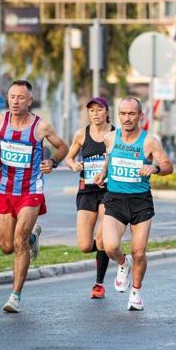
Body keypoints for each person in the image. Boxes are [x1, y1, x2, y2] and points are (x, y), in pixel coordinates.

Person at [0, 80, 69, 313]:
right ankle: (32, 239)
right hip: (4, 188)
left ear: (30, 100)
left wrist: (53, 162)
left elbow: (62, 147)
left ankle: (15, 296)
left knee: (18, 241)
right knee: (7, 246)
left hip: (30, 190)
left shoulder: (41, 127)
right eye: (12, 97)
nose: (15, 101)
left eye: (20, 97)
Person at [93, 97, 174, 311]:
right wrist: (103, 172)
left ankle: (136, 292)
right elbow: (109, 159)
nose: (127, 118)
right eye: (123, 114)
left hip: (140, 202)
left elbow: (168, 165)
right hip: (115, 199)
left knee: (139, 251)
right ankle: (122, 263)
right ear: (118, 115)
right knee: (110, 246)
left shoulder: (149, 141)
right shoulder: (110, 137)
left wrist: (154, 168)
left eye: (131, 114)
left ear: (140, 116)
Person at [64, 97, 114, 298]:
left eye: (99, 109)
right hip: (86, 191)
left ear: (107, 112)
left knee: (101, 238)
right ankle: (111, 251)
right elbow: (69, 157)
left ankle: (99, 284)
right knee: (85, 245)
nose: (95, 113)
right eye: (91, 110)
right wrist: (73, 164)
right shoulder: (81, 134)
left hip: (109, 190)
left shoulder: (115, 134)